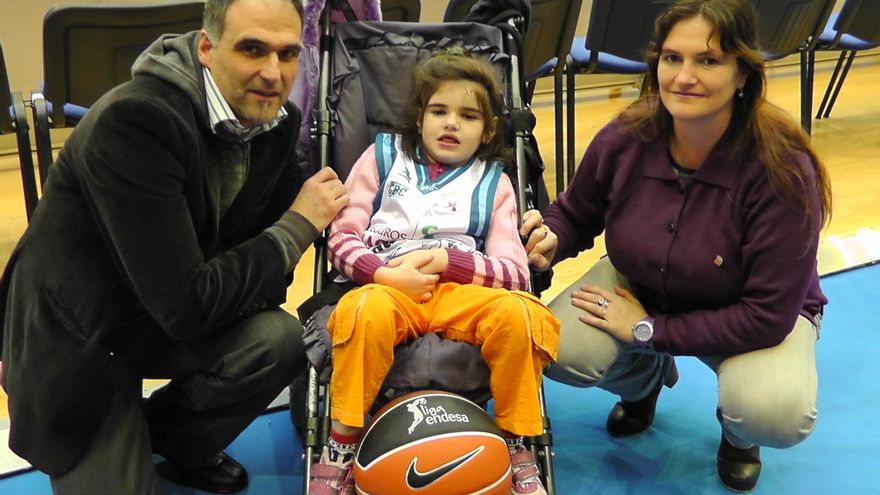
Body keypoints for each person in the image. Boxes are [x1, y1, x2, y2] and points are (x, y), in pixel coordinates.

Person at [0, 0, 349, 493]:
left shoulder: (276, 122)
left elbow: (265, 279)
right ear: (207, 47)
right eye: (253, 49)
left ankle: (173, 439)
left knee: (281, 340)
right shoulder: (134, 120)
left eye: (288, 54)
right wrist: (298, 225)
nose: (274, 73)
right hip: (81, 337)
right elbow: (190, 303)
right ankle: (113, 428)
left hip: (165, 309)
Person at [522, 0, 832, 492]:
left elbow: (766, 317)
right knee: (558, 348)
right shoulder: (625, 136)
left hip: (751, 311)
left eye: (708, 61)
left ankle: (738, 434)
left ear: (742, 74)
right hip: (642, 282)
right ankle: (644, 382)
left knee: (773, 412)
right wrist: (551, 236)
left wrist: (647, 330)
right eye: (672, 58)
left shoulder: (784, 171)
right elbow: (578, 212)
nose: (684, 76)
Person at [306, 49, 560, 495]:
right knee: (363, 310)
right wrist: (381, 276)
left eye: (467, 115)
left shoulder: (494, 182)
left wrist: (449, 262)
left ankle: (517, 440)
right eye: (438, 111)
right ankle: (343, 442)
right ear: (419, 117)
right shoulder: (381, 158)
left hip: (461, 292)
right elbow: (341, 240)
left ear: (488, 131)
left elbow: (516, 275)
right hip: (389, 284)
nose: (450, 123)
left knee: (521, 313)